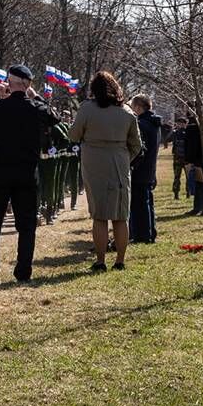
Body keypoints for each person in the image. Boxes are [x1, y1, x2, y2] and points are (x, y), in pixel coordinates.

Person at [0, 65, 60, 283]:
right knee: (26, 225)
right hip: (26, 173)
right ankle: (23, 271)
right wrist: (36, 96)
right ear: (28, 84)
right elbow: (54, 117)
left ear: (9, 83)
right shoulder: (35, 107)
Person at [68, 72, 143, 272]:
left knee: (99, 215)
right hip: (119, 162)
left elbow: (73, 135)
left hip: (94, 164)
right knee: (120, 215)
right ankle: (120, 260)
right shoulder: (127, 112)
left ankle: (100, 261)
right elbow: (137, 145)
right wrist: (125, 158)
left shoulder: (86, 109)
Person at [129, 94, 163, 244]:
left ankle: (142, 235)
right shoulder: (153, 123)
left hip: (140, 169)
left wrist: (132, 164)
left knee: (140, 204)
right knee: (147, 202)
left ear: (138, 107)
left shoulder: (141, 124)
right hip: (149, 169)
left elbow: (139, 149)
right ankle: (149, 232)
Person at [169, 117, 189, 199]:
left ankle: (189, 192)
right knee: (177, 176)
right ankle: (176, 193)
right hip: (178, 157)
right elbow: (168, 139)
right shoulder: (175, 133)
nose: (180, 125)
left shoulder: (187, 132)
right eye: (178, 123)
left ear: (185, 124)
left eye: (181, 123)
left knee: (188, 176)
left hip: (186, 158)